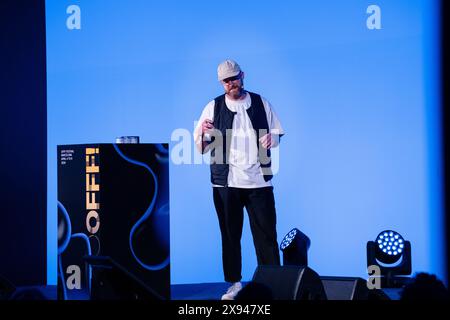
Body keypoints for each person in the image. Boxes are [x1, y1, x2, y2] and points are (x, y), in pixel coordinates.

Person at [194, 59, 284, 300]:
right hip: (226, 183)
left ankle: (272, 284)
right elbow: (201, 147)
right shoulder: (212, 107)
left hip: (259, 182)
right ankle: (234, 284)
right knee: (230, 236)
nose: (232, 83)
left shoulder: (260, 102)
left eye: (234, 78)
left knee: (266, 236)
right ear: (221, 83)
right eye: (226, 80)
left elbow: (276, 132)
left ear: (242, 75)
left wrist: (272, 140)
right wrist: (203, 132)